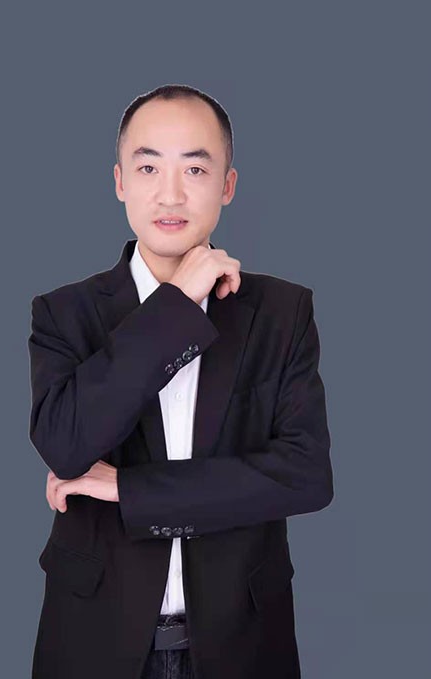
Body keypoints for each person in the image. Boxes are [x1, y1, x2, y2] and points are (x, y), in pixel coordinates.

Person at [28, 83, 334, 679]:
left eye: (195, 168)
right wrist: (175, 306)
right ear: (120, 181)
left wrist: (131, 488)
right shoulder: (63, 313)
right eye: (148, 167)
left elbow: (306, 476)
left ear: (227, 185)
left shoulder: (282, 311)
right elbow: (65, 443)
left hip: (243, 639)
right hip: (94, 639)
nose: (170, 194)